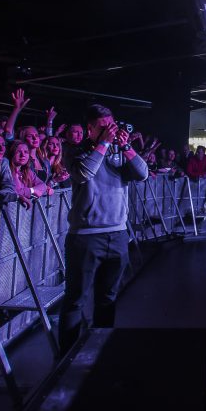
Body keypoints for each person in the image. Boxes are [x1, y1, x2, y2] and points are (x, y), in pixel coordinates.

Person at [59, 104, 148, 353]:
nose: (110, 130)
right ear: (90, 129)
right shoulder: (75, 151)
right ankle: (66, 356)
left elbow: (142, 174)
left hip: (118, 234)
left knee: (107, 299)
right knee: (76, 299)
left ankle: (99, 350)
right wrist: (105, 144)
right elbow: (84, 173)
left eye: (112, 125)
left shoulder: (119, 151)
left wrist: (126, 147)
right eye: (103, 126)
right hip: (85, 237)